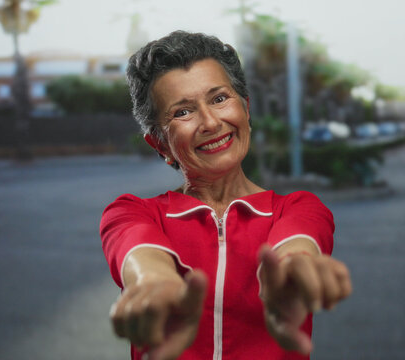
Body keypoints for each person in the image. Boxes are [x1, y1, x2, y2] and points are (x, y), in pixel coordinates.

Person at [100, 30, 352, 360]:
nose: (210, 122)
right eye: (182, 112)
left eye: (220, 99)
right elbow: (140, 254)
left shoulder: (297, 208)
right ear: (160, 144)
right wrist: (155, 283)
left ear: (245, 110)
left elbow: (297, 245)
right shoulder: (132, 213)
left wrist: (292, 272)